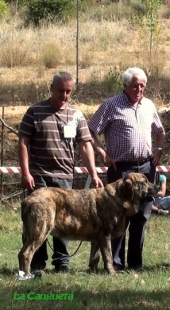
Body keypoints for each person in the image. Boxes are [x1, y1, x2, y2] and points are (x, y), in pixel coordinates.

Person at [18, 71, 103, 273]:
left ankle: (61, 264)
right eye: (61, 91)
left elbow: (85, 145)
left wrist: (94, 173)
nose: (64, 95)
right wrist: (25, 173)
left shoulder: (76, 115)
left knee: (65, 223)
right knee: (38, 223)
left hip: (65, 178)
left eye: (68, 92)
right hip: (39, 177)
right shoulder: (34, 111)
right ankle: (35, 265)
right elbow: (23, 142)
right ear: (51, 88)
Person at [88, 67, 166, 271]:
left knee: (141, 218)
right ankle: (115, 264)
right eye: (135, 85)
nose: (139, 89)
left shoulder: (149, 105)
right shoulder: (111, 105)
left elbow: (160, 132)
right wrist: (102, 153)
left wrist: (159, 149)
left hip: (146, 169)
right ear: (125, 86)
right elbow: (90, 130)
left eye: (142, 86)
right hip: (121, 170)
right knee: (118, 218)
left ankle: (135, 264)